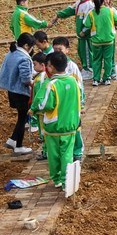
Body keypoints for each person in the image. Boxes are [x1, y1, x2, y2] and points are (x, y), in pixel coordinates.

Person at [33, 52, 82, 190]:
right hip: (70, 125)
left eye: (48, 65)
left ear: (52, 67)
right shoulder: (73, 81)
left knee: (53, 155)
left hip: (53, 126)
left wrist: (34, 108)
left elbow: (44, 105)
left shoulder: (51, 84)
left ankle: (57, 179)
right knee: (67, 154)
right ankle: (67, 182)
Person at [0, 33, 37, 156]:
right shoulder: (24, 58)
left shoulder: (11, 53)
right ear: (26, 46)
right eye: (31, 47)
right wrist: (35, 84)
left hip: (11, 90)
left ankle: (14, 141)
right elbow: (26, 79)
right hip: (21, 92)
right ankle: (17, 144)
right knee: (23, 119)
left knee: (21, 117)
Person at [52, 36, 86, 162]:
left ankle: (77, 151)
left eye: (60, 49)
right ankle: (64, 152)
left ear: (67, 50)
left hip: (72, 104)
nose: (57, 52)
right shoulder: (51, 65)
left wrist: (81, 104)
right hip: (59, 105)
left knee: (75, 127)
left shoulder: (72, 67)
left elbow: (80, 86)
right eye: (55, 50)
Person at [54, 0, 95, 75]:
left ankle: (89, 70)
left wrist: (84, 31)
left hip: (86, 35)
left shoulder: (90, 5)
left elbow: (90, 22)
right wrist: (59, 14)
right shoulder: (79, 3)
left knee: (87, 53)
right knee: (81, 52)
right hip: (80, 35)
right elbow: (70, 10)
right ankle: (85, 68)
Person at [83, 0, 117, 86]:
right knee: (108, 60)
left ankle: (96, 79)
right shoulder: (110, 11)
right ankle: (106, 78)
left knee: (96, 60)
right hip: (108, 40)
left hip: (96, 42)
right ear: (102, 1)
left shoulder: (91, 13)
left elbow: (86, 24)